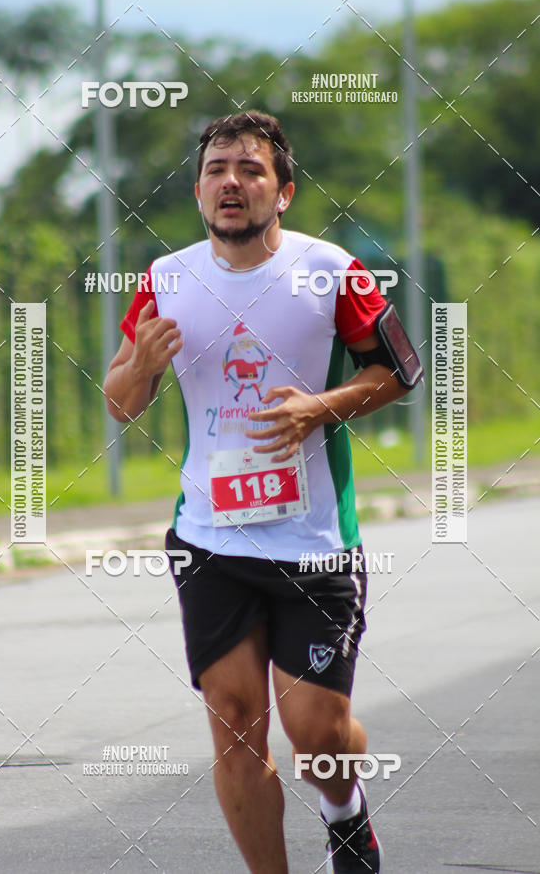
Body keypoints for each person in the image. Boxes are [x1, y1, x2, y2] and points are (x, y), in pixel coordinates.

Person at [103, 111, 422, 873]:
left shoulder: (329, 269)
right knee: (235, 722)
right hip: (210, 537)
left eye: (250, 169)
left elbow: (400, 371)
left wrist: (321, 407)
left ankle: (345, 811)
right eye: (216, 170)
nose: (231, 182)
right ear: (197, 191)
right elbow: (120, 402)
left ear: (283, 192)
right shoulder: (167, 279)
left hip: (314, 541)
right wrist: (140, 366)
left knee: (317, 736)